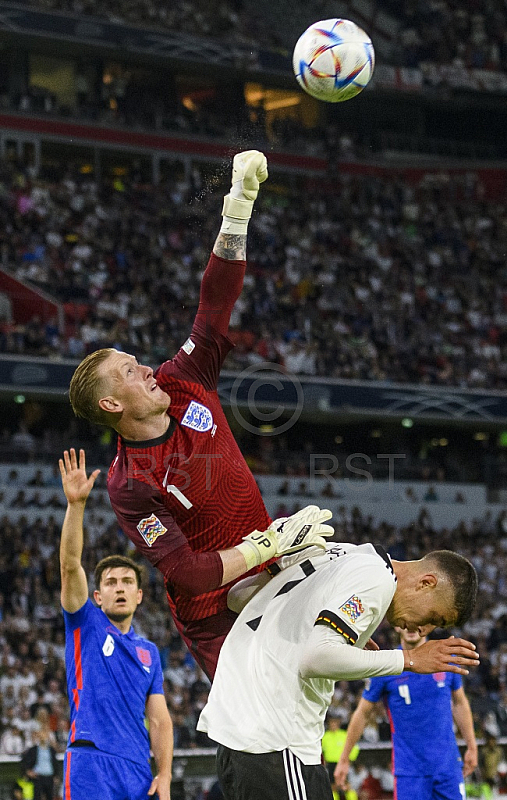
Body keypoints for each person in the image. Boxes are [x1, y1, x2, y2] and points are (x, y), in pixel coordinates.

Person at [68, 150, 332, 679]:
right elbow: (187, 574)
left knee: (308, 708)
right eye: (128, 371)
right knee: (255, 734)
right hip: (215, 617)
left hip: (270, 572)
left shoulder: (182, 380)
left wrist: (237, 209)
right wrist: (267, 542)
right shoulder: (128, 484)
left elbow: (214, 303)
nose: (144, 367)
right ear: (112, 405)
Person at [198, 541, 480, 800]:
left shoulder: (344, 552)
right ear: (426, 583)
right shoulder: (376, 579)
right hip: (277, 741)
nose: (423, 629)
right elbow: (316, 658)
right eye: (434, 617)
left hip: (239, 737)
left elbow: (237, 597)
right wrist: (407, 660)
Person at [59, 448, 173, 800]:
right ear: (97, 596)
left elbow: (159, 720)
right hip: (90, 759)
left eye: (127, 582)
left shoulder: (149, 652)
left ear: (139, 596)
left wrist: (165, 774)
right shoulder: (85, 623)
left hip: (138, 769)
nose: (119, 588)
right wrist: (76, 506)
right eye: (110, 583)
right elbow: (69, 565)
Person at [334, 627, 478, 800]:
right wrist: (344, 759)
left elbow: (460, 702)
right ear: (396, 625)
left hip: (448, 767)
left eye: (418, 620)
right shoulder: (387, 664)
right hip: (409, 772)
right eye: (406, 620)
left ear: (429, 624)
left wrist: (472, 745)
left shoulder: (445, 657)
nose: (411, 626)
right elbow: (362, 713)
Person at [20, 728, 60, 800]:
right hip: (38, 777)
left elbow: (55, 763)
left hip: (49, 777)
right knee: (37, 797)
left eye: (45, 735)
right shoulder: (33, 750)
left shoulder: (51, 750)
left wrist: (56, 775)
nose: (43, 737)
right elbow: (24, 760)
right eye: (41, 735)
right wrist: (28, 771)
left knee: (50, 796)